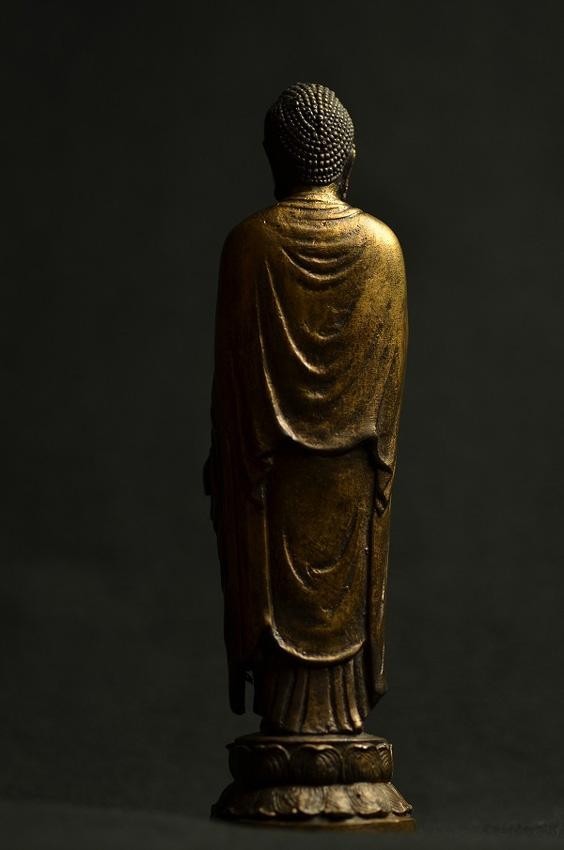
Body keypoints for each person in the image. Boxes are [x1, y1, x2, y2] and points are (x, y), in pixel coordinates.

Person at [206, 82, 407, 735]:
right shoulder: (381, 248)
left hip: (270, 479)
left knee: (277, 589)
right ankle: (322, 735)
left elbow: (232, 401)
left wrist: (226, 465)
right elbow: (387, 401)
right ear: (348, 158)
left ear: (273, 157)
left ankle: (306, 736)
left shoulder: (251, 245)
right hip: (348, 477)